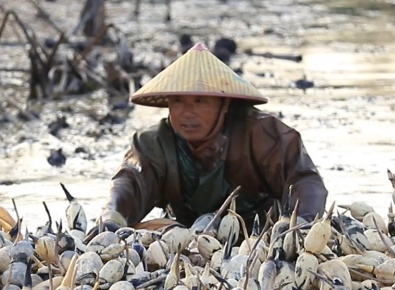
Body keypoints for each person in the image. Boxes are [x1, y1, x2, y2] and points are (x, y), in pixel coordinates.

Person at [101, 42, 328, 231]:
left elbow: (305, 181)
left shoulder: (263, 134)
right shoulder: (152, 143)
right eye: (178, 101)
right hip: (183, 239)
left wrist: (299, 227)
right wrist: (111, 220)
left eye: (200, 101)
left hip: (262, 238)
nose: (188, 113)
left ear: (225, 104)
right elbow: (128, 183)